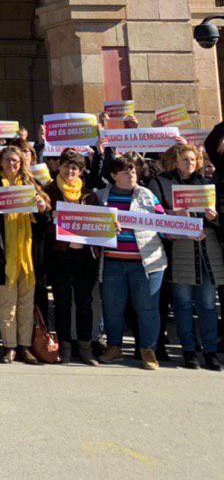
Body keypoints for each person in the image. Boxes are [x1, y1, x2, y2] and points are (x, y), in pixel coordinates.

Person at [148, 143, 222, 370]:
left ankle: (210, 351)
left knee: (208, 303)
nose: (189, 163)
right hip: (181, 247)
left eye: (192, 159)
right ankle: (188, 350)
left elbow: (218, 218)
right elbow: (156, 217)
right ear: (175, 162)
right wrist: (174, 215)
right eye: (184, 160)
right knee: (182, 302)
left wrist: (214, 217)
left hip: (207, 246)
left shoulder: (207, 183)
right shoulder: (166, 183)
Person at [0, 144, 51, 364]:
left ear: (22, 164)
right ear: (1, 162)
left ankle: (24, 346)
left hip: (28, 256)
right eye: (7, 160)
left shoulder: (32, 185)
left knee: (26, 304)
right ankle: (9, 346)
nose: (11, 164)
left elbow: (45, 224)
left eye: (16, 161)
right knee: (5, 304)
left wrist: (41, 208)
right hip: (3, 256)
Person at [96, 154, 167, 370]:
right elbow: (89, 230)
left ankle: (147, 349)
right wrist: (106, 227)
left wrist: (180, 222)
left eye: (133, 170)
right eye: (126, 171)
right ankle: (114, 346)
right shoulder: (100, 198)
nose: (131, 174)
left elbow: (164, 225)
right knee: (113, 308)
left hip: (146, 263)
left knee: (147, 308)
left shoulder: (147, 196)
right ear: (113, 176)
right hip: (112, 263)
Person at [43, 150, 100, 365]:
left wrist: (112, 225)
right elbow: (39, 222)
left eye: (74, 168)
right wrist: (51, 218)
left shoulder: (89, 194)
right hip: (60, 256)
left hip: (85, 257)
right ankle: (65, 346)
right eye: (66, 166)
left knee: (84, 302)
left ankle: (85, 348)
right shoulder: (49, 191)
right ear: (60, 167)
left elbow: (100, 222)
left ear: (81, 171)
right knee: (62, 302)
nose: (70, 171)